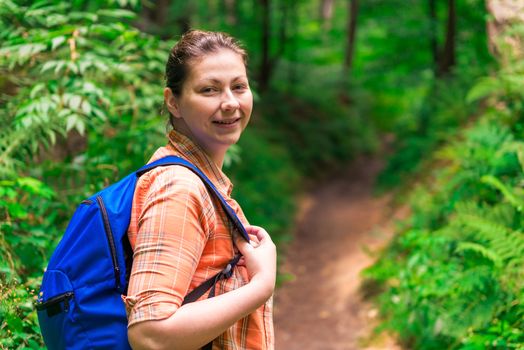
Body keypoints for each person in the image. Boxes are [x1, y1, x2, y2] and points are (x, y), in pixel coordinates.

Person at [122, 30, 276, 350]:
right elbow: (150, 334)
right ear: (173, 102)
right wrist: (261, 286)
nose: (230, 103)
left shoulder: (199, 181)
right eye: (209, 89)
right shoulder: (179, 187)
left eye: (239, 87)